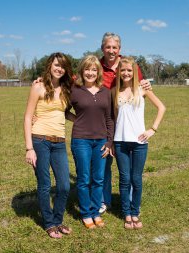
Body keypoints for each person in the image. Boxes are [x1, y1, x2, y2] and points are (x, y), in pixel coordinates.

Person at [99, 32, 152, 214]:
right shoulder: (96, 66)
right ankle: (105, 200)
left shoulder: (129, 65)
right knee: (104, 163)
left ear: (119, 49)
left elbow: (142, 85)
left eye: (114, 47)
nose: (111, 50)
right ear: (102, 48)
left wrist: (147, 86)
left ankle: (130, 204)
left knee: (130, 173)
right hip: (104, 121)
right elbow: (76, 81)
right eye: (108, 47)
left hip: (127, 123)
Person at [24, 52, 74, 238]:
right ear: (49, 66)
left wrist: (81, 121)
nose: (59, 68)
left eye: (62, 66)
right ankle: (49, 222)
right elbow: (28, 117)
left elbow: (65, 113)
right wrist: (29, 148)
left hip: (59, 141)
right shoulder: (38, 87)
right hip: (40, 140)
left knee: (64, 186)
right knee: (44, 184)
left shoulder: (67, 89)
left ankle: (58, 219)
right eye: (56, 65)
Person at [113, 56, 166, 229]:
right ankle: (126, 213)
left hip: (139, 143)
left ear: (134, 72)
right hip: (120, 142)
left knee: (136, 179)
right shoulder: (114, 92)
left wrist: (153, 129)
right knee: (124, 179)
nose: (126, 73)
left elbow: (161, 107)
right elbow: (112, 118)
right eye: (123, 70)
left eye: (129, 70)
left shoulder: (142, 89)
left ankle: (135, 212)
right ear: (118, 72)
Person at [68, 55, 114, 229]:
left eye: (94, 69)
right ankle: (86, 213)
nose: (90, 73)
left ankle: (96, 212)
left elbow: (109, 118)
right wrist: (78, 120)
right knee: (84, 178)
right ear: (82, 71)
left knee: (98, 179)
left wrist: (109, 142)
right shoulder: (75, 90)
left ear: (98, 72)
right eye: (87, 69)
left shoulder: (105, 92)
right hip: (81, 141)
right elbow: (63, 110)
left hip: (101, 141)